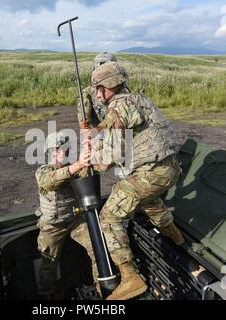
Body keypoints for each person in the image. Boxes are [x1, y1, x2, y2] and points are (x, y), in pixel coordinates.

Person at [89, 62, 185, 300]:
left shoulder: (117, 109)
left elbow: (114, 154)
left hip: (152, 172)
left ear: (111, 85)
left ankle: (131, 278)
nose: (98, 94)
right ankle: (176, 237)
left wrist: (92, 160)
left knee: (110, 216)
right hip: (170, 168)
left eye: (100, 88)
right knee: (147, 199)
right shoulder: (139, 99)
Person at [35, 131, 97, 298]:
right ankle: (46, 295)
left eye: (67, 148)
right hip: (52, 226)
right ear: (52, 152)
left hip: (75, 220)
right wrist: (78, 164)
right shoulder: (43, 171)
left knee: (97, 246)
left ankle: (101, 286)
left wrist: (92, 157)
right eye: (61, 149)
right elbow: (49, 181)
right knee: (48, 264)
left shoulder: (73, 167)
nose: (65, 152)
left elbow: (89, 173)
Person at [78, 52, 117, 130]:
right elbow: (84, 115)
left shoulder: (122, 91)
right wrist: (84, 122)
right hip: (99, 133)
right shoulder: (89, 92)